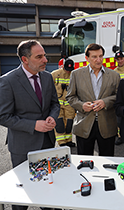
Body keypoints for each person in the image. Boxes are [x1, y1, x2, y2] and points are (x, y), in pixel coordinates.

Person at [0, 40, 60, 210]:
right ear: (25, 60)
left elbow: (55, 104)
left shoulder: (48, 77)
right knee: (22, 194)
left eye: (45, 55)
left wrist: (52, 117)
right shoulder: (8, 81)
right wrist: (33, 125)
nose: (45, 60)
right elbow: (3, 116)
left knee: (49, 189)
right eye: (39, 56)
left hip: (47, 143)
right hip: (22, 147)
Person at [66, 43, 120, 156]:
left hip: (107, 124)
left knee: (108, 160)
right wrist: (81, 105)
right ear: (87, 58)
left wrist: (105, 102)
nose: (98, 60)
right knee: (84, 162)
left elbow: (118, 97)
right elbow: (70, 97)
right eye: (94, 57)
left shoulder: (114, 75)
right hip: (84, 124)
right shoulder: (76, 74)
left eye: (100, 56)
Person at [51, 58, 76, 147]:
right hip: (57, 104)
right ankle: (62, 142)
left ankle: (69, 140)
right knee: (59, 124)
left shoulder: (74, 75)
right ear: (63, 66)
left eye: (70, 70)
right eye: (66, 69)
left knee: (69, 123)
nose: (68, 72)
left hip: (69, 105)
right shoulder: (54, 74)